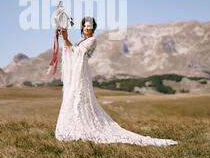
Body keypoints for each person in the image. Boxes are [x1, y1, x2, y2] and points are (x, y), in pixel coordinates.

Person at [55, 16, 178, 146]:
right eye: (85, 26)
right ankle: (75, 125)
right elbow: (70, 49)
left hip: (82, 71)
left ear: (93, 29)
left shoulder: (92, 40)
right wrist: (64, 35)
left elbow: (79, 52)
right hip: (76, 70)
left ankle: (85, 125)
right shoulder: (80, 41)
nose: (87, 28)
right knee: (74, 97)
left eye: (89, 26)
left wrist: (66, 38)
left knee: (81, 96)